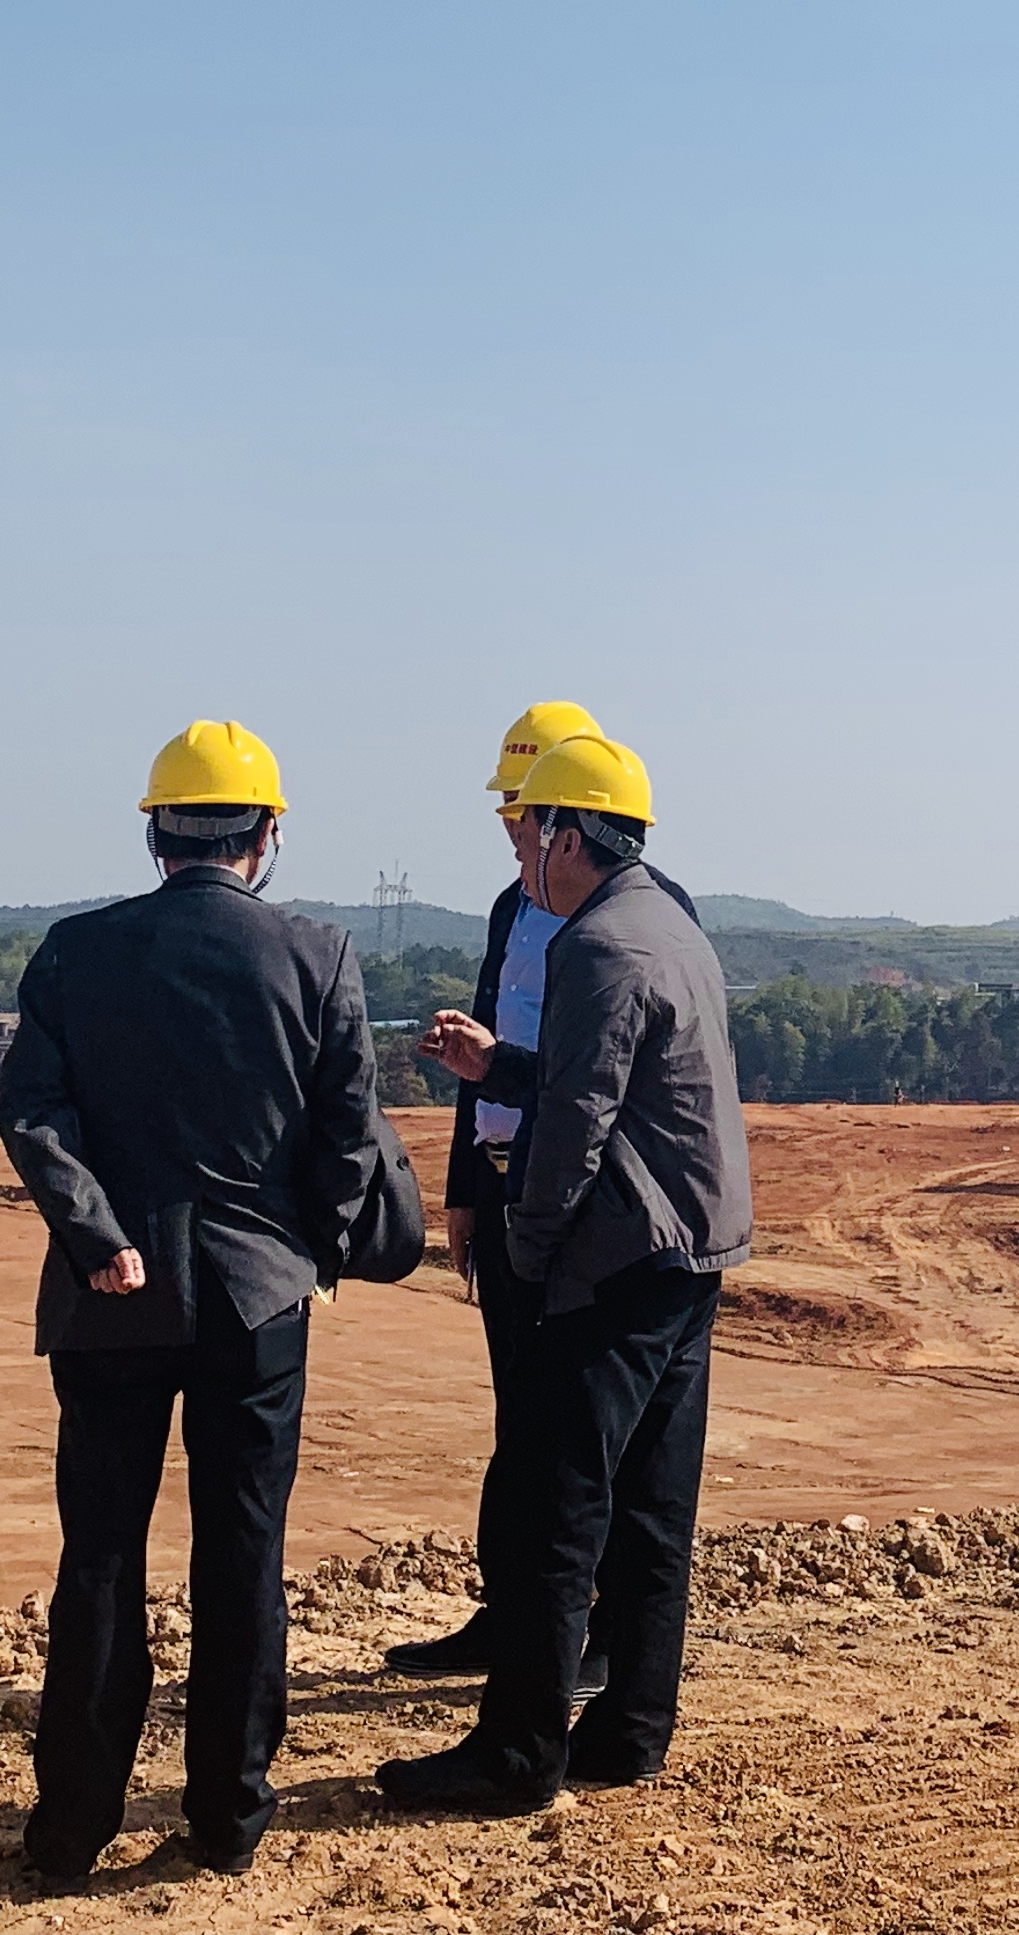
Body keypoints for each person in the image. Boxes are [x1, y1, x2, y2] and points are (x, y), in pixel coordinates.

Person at [0, 719, 422, 1878]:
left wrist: (97, 1235)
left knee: (99, 1562)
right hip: (257, 1303)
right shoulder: (317, 956)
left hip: (108, 1298)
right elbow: (347, 1142)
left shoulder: (76, 954)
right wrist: (314, 1258)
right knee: (244, 1557)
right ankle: (227, 1818)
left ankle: (71, 1826)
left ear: (154, 832)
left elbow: (31, 1113)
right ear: (267, 835)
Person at [379, 730, 751, 1815]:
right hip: (688, 1256)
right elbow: (608, 1081)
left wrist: (530, 1257)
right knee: (652, 1506)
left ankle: (518, 1754)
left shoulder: (595, 945)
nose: (520, 846)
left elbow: (579, 1130)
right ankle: (630, 1729)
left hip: (611, 1262)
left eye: (529, 824)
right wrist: (500, 1066)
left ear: (569, 833)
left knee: (556, 1506)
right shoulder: (667, 924)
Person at [382, 695, 594, 1683]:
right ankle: (507, 1611)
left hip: (583, 1206)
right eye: (508, 808)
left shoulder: (619, 918)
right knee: (521, 1418)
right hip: (506, 1194)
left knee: (581, 1426)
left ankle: (584, 1631)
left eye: (526, 807)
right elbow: (483, 1066)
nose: (511, 826)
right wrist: (465, 1190)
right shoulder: (512, 911)